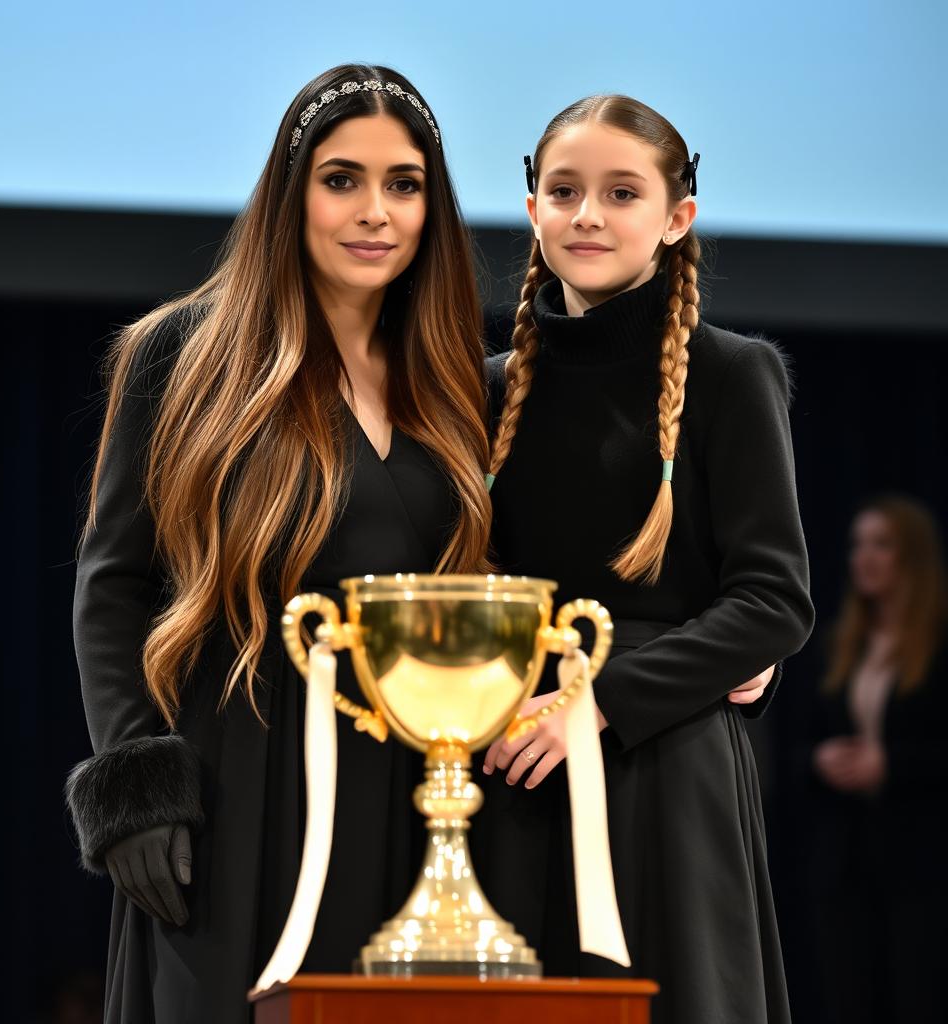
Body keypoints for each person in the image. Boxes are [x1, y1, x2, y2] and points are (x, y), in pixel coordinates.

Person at [64, 63, 491, 1023]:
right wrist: (138, 784)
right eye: (342, 179)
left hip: (406, 805)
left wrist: (719, 654)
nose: (374, 210)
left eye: (404, 183)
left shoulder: (460, 381)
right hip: (229, 797)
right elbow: (112, 586)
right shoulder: (180, 353)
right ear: (290, 195)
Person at [474, 95, 814, 1023]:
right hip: (510, 761)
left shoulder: (733, 373)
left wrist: (602, 705)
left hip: (660, 767)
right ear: (534, 209)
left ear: (675, 219)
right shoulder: (485, 387)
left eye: (622, 192)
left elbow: (774, 602)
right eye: (565, 190)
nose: (588, 214)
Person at [804, 495, 947, 1023]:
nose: (864, 557)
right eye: (857, 544)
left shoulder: (939, 644)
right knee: (849, 998)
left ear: (913, 557)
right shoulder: (839, 644)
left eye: (881, 544)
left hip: (922, 861)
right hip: (847, 860)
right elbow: (800, 742)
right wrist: (821, 759)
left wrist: (892, 765)